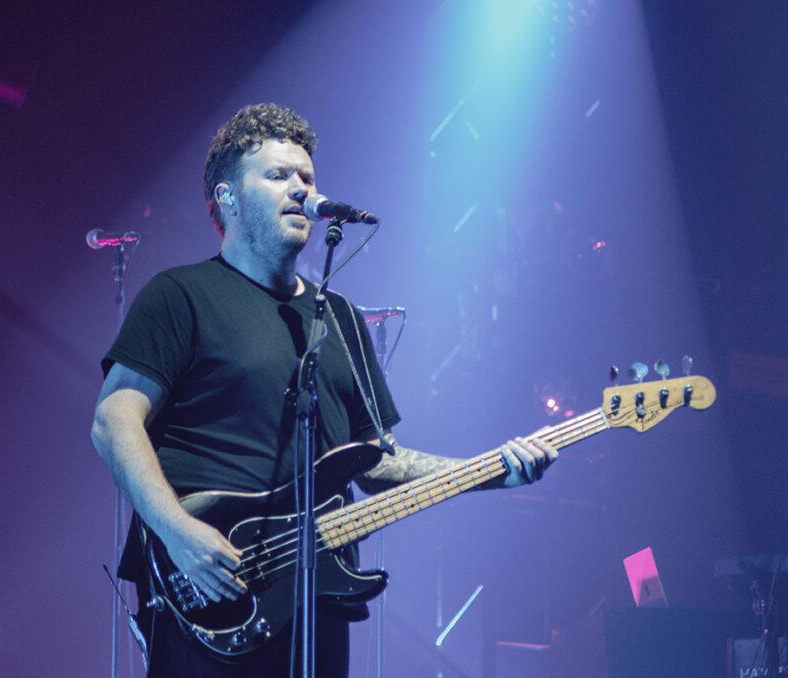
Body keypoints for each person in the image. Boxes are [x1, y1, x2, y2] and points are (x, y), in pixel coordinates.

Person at [90, 103, 558, 678]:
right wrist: (178, 531)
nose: (300, 188)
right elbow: (113, 420)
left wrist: (488, 470)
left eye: (307, 177)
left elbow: (376, 462)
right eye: (277, 175)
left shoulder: (341, 319)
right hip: (210, 586)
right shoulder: (180, 295)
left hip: (319, 594)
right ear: (226, 197)